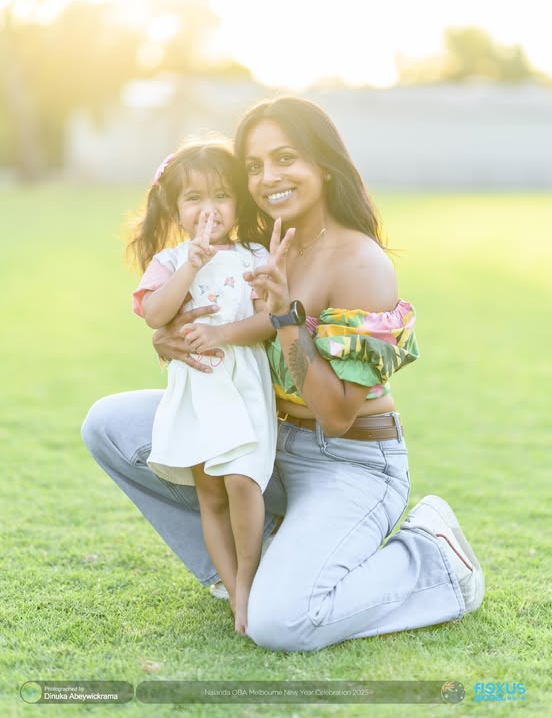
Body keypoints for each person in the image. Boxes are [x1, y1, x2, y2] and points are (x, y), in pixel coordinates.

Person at [82, 96, 484, 652]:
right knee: (109, 425)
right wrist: (167, 337)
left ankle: (431, 561)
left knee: (280, 625)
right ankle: (246, 577)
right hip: (263, 437)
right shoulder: (254, 242)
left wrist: (286, 319)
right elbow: (203, 319)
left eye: (286, 157)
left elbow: (337, 415)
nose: (269, 177)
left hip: (348, 461)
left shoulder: (358, 262)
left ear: (322, 162)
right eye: (253, 166)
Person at [127, 140, 277, 634]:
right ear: (175, 208)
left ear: (238, 203)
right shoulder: (172, 261)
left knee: (242, 481)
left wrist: (221, 333)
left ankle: (252, 579)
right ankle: (237, 597)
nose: (209, 210)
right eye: (194, 199)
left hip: (244, 386)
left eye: (221, 196)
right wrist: (191, 263)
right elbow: (154, 314)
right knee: (211, 494)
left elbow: (267, 323)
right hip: (198, 390)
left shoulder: (253, 255)